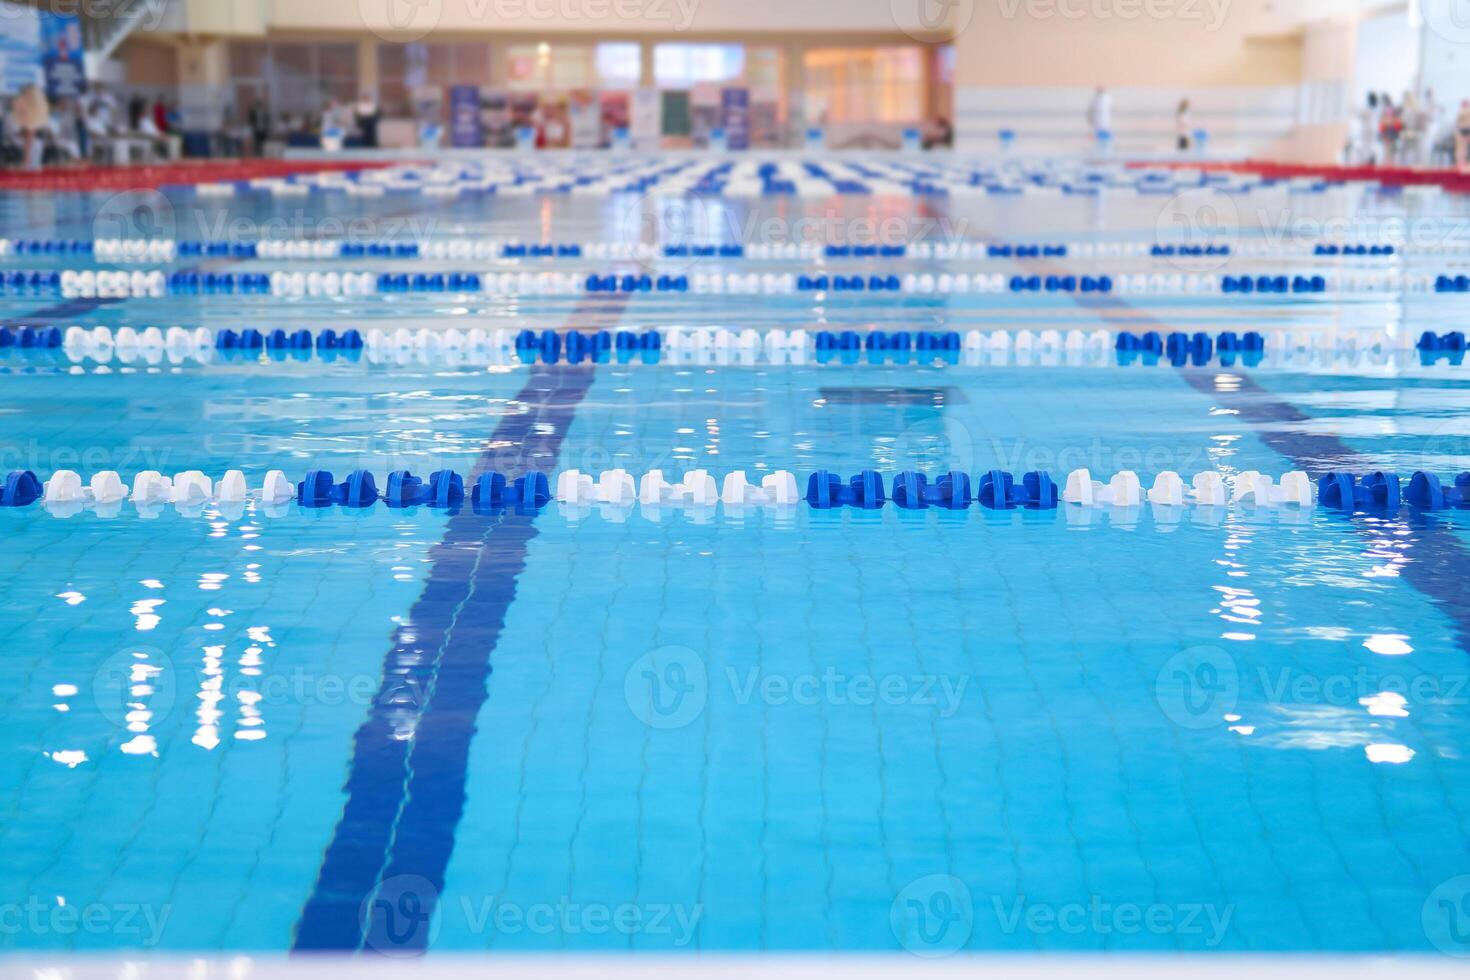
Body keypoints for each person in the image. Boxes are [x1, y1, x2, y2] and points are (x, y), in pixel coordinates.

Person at [12, 83, 50, 170]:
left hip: (34, 141)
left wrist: (26, 159)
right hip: (36, 140)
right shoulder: (40, 103)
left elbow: (29, 134)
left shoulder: (33, 106)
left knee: (32, 164)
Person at [1456, 100, 1470, 170]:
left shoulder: (1460, 112)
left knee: (1462, 147)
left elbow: (1457, 123)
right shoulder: (1467, 111)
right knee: (1465, 147)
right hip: (1467, 128)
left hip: (1463, 128)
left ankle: (1461, 162)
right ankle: (1463, 162)